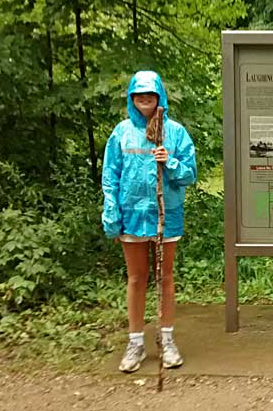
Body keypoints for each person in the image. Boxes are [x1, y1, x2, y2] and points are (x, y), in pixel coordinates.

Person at [101, 70, 197, 373]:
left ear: (159, 97)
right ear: (131, 97)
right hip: (131, 216)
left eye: (150, 94)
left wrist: (168, 160)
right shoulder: (121, 132)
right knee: (136, 278)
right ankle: (135, 342)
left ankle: (166, 339)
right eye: (139, 95)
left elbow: (189, 175)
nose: (145, 99)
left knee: (165, 278)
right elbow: (110, 175)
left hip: (165, 216)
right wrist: (112, 213)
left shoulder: (176, 132)